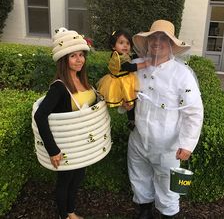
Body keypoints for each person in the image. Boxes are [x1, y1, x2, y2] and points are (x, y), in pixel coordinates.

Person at [127, 20, 204, 219]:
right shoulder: (136, 67)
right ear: (148, 41)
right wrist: (124, 105)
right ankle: (144, 210)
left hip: (167, 144)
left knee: (168, 185)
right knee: (139, 175)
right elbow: (123, 95)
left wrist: (187, 144)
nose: (157, 42)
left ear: (171, 45)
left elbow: (193, 111)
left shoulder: (182, 75)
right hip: (138, 138)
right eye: (154, 37)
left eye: (163, 39)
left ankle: (167, 215)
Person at [34, 27, 96, 219]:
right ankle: (64, 215)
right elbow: (40, 116)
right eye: (73, 56)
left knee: (77, 177)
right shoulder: (59, 87)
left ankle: (71, 212)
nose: (79, 60)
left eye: (81, 55)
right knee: (65, 180)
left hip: (82, 144)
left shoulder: (82, 80)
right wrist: (53, 150)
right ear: (64, 60)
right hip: (66, 145)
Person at [97, 30, 150, 128]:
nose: (125, 46)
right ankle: (131, 120)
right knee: (129, 102)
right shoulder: (118, 58)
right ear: (113, 46)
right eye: (121, 43)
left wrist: (140, 55)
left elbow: (131, 57)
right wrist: (144, 64)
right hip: (121, 82)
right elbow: (130, 67)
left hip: (124, 79)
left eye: (127, 43)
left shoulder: (121, 54)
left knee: (130, 101)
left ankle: (131, 117)